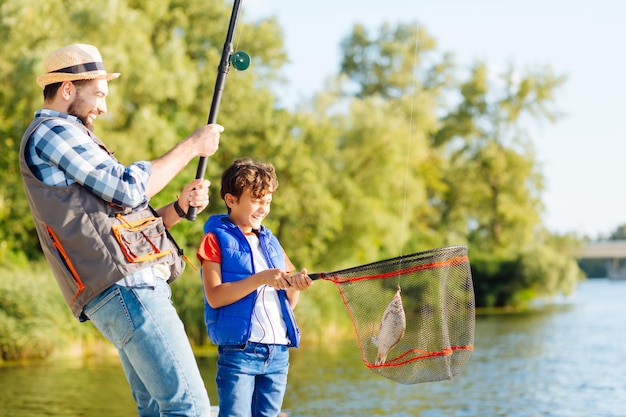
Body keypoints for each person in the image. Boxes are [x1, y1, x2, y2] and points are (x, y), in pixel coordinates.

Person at [19, 43, 221, 417]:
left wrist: (177, 208)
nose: (103, 107)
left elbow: (117, 218)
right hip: (129, 289)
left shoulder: (67, 135)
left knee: (158, 409)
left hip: (122, 290)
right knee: (188, 407)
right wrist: (192, 145)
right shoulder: (54, 131)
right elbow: (128, 187)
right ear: (67, 89)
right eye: (98, 94)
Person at [197, 157, 313, 417]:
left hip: (278, 354)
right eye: (257, 201)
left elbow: (289, 302)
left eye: (268, 201)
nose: (264, 209)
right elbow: (215, 297)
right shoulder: (214, 239)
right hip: (240, 353)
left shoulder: (271, 241)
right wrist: (261, 278)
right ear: (231, 200)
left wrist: (296, 285)